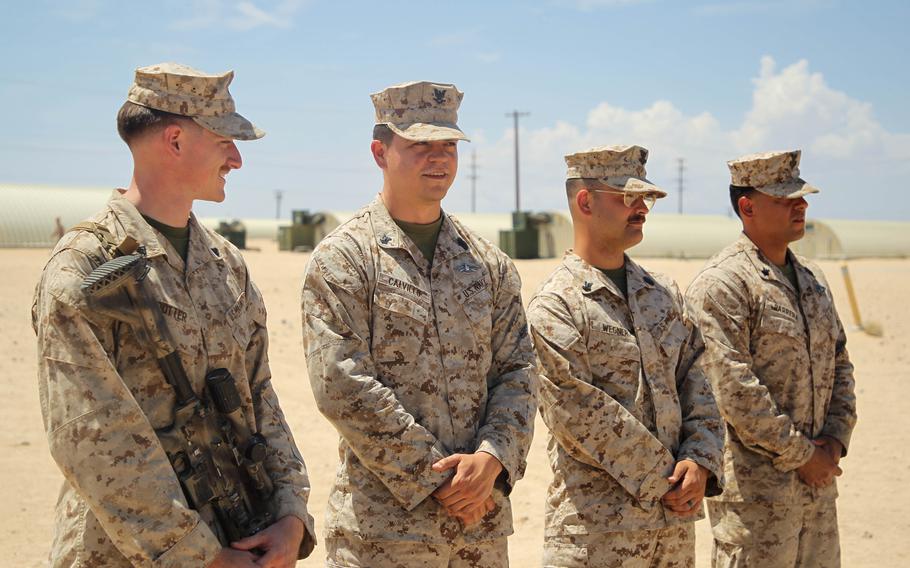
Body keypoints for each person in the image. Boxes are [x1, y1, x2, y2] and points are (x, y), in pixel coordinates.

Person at [32, 62, 315, 568]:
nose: (237, 159)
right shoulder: (84, 268)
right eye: (225, 140)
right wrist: (196, 556)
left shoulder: (225, 264)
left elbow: (260, 395)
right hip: (126, 553)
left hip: (243, 533)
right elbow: (92, 436)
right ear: (176, 140)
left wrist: (291, 516)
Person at [301, 80, 536, 567]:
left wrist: (492, 459)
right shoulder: (344, 259)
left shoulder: (487, 263)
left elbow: (518, 371)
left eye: (448, 145)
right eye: (420, 145)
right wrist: (439, 478)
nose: (439, 158)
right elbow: (341, 384)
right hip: (385, 536)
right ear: (379, 152)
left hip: (479, 531)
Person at [527, 145, 724, 567]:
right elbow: (575, 411)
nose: (641, 209)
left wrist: (700, 460)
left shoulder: (664, 295)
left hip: (671, 536)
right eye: (627, 197)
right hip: (597, 538)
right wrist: (669, 479)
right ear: (585, 201)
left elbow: (700, 384)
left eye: (645, 198)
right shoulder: (556, 304)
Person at [685, 150, 857, 567]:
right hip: (757, 501)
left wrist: (835, 439)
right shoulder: (722, 284)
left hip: (817, 492)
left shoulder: (813, 280)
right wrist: (804, 457)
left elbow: (841, 364)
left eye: (802, 196)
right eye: (785, 198)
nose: (802, 205)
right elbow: (734, 391)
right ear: (747, 206)